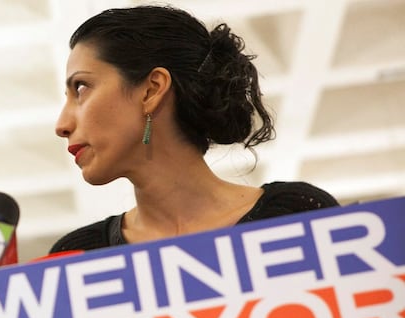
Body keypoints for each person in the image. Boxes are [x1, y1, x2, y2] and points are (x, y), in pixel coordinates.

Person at [50, 5, 339, 254]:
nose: (62, 125)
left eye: (81, 88)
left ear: (151, 90)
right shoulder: (78, 255)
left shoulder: (296, 215)